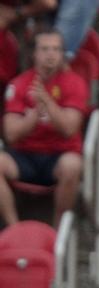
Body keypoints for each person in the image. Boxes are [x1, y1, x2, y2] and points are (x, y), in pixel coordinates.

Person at [0, 29, 86, 225]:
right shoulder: (19, 84)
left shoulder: (75, 83)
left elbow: (69, 128)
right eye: (45, 49)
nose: (51, 54)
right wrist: (32, 118)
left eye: (56, 49)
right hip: (25, 156)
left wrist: (46, 101)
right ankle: (14, 228)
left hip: (59, 155)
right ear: (34, 54)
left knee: (72, 165)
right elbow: (11, 134)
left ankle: (58, 232)